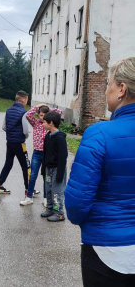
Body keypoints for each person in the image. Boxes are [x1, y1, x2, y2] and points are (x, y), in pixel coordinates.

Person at [65, 57, 135, 285]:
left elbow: (76, 206)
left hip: (108, 250)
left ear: (121, 89)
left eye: (109, 84)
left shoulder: (99, 134)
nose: (106, 90)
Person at [20, 104, 63, 206]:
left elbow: (60, 113)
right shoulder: (35, 123)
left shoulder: (48, 124)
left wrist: (48, 108)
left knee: (46, 176)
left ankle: (46, 198)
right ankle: (29, 197)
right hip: (37, 153)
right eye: (40, 115)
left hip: (47, 153)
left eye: (44, 115)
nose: (42, 117)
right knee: (33, 175)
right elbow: (28, 115)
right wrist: (37, 106)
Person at [0, 91, 31, 196]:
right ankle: (28, 189)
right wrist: (25, 137)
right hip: (20, 143)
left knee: (8, 163)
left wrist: (11, 134)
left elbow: (4, 127)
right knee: (26, 165)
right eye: (27, 100)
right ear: (23, 100)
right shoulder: (24, 112)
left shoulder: (8, 110)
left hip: (10, 142)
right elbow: (25, 131)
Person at [40, 111, 68, 222]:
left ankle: (59, 213)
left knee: (57, 192)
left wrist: (60, 174)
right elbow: (45, 153)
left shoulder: (60, 139)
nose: (43, 124)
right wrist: (43, 168)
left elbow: (63, 157)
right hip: (48, 169)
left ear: (51, 123)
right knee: (48, 190)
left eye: (44, 122)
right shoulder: (48, 136)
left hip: (57, 170)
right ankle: (50, 209)